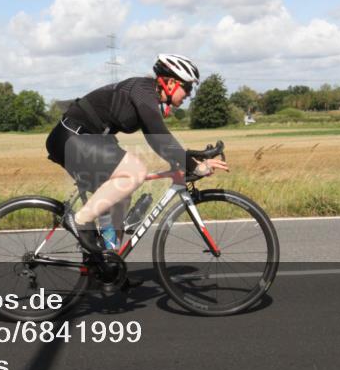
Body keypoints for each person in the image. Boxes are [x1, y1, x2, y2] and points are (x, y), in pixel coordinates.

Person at [45, 54, 229, 254]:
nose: (189, 94)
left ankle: (108, 267)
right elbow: (160, 136)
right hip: (72, 138)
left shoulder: (148, 96)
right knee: (135, 171)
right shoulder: (143, 91)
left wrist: (189, 159)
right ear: (170, 83)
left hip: (84, 140)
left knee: (120, 198)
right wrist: (194, 166)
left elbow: (155, 139)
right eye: (187, 87)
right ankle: (79, 221)